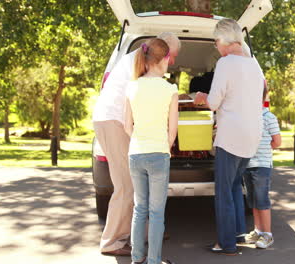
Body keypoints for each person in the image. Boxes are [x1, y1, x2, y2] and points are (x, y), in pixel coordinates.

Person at [92, 32, 180, 256]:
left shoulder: (137, 59)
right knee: (126, 185)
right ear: (162, 53)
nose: (173, 62)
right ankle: (112, 241)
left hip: (114, 121)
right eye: (172, 56)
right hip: (113, 122)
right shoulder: (138, 65)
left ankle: (146, 231)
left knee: (136, 183)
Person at [194, 18, 264, 255]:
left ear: (224, 40)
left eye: (215, 42)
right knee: (235, 185)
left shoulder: (226, 63)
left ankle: (226, 244)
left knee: (223, 191)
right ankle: (238, 233)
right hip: (252, 136)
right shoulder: (254, 64)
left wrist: (203, 96)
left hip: (230, 136)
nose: (216, 47)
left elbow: (214, 102)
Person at [125, 38, 178, 264]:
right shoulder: (170, 89)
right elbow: (172, 131)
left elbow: (127, 126)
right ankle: (154, 260)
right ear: (165, 59)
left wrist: (140, 140)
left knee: (140, 209)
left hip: (135, 153)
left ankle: (137, 258)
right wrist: (163, 146)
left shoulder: (132, 86)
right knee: (156, 213)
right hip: (158, 153)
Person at [243, 84, 281, 249]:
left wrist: (264, 147)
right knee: (252, 199)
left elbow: (277, 142)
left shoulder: (268, 117)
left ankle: (268, 234)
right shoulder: (246, 117)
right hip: (248, 164)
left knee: (262, 199)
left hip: (262, 165)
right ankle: (257, 230)